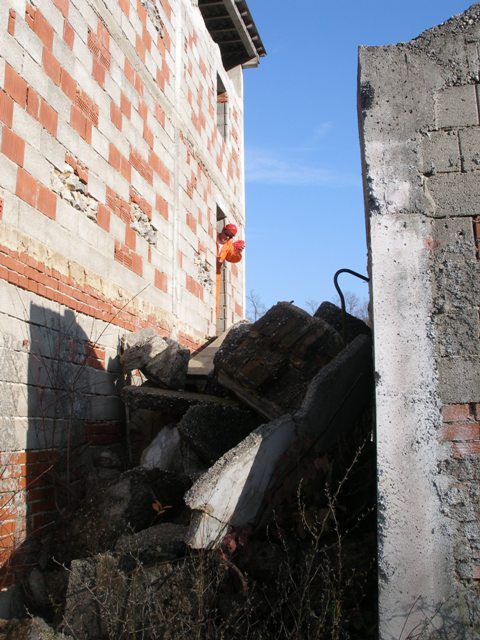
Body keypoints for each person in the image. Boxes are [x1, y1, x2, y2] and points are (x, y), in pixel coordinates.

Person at [216, 223, 245, 321]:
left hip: (216, 274)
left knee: (214, 301)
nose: (227, 237)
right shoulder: (212, 236)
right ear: (223, 230)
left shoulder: (228, 245)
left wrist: (237, 252)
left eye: (231, 236)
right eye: (227, 233)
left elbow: (232, 257)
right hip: (209, 267)